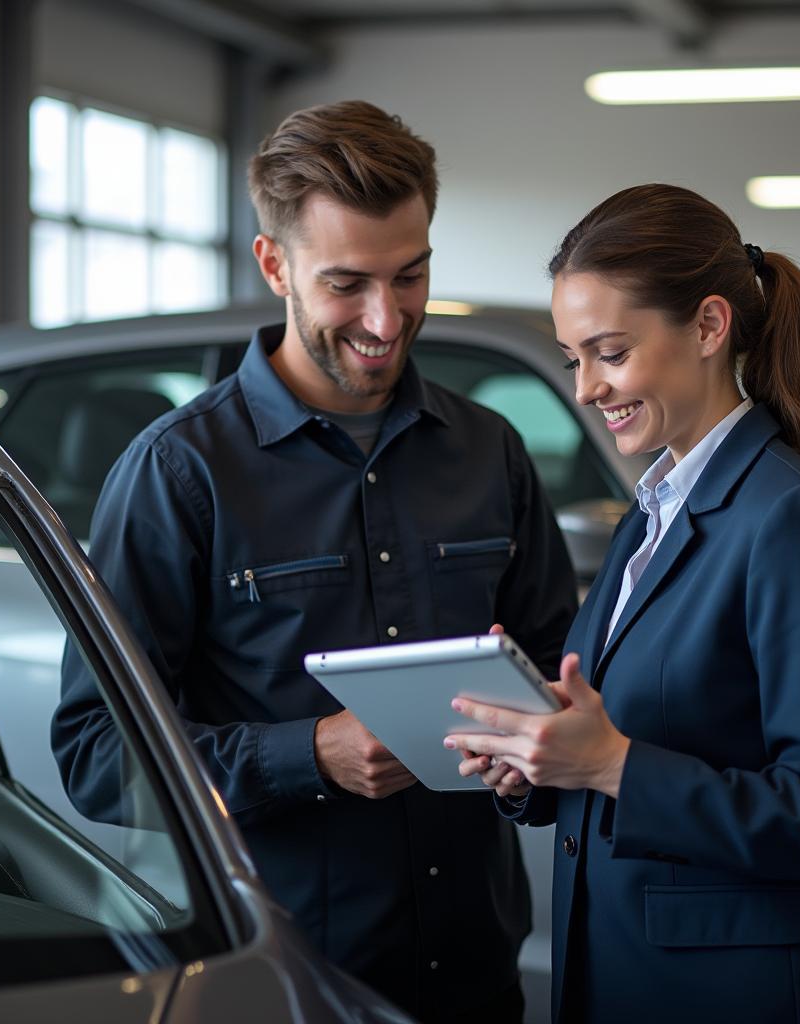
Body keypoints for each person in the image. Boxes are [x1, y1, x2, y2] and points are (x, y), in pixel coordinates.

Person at [51, 100, 578, 1024]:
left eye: (409, 275)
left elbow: (559, 677)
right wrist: (311, 756)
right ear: (274, 263)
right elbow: (97, 755)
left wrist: (533, 756)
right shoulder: (181, 473)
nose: (386, 318)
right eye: (348, 284)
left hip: (475, 975)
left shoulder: (490, 451)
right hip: (283, 987)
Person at [447, 183, 800, 1024]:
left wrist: (608, 762)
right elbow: (635, 737)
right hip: (629, 971)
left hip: (739, 995)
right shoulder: (656, 508)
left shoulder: (791, 518)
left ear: (710, 327)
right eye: (574, 356)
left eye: (609, 352)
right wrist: (533, 762)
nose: (585, 388)